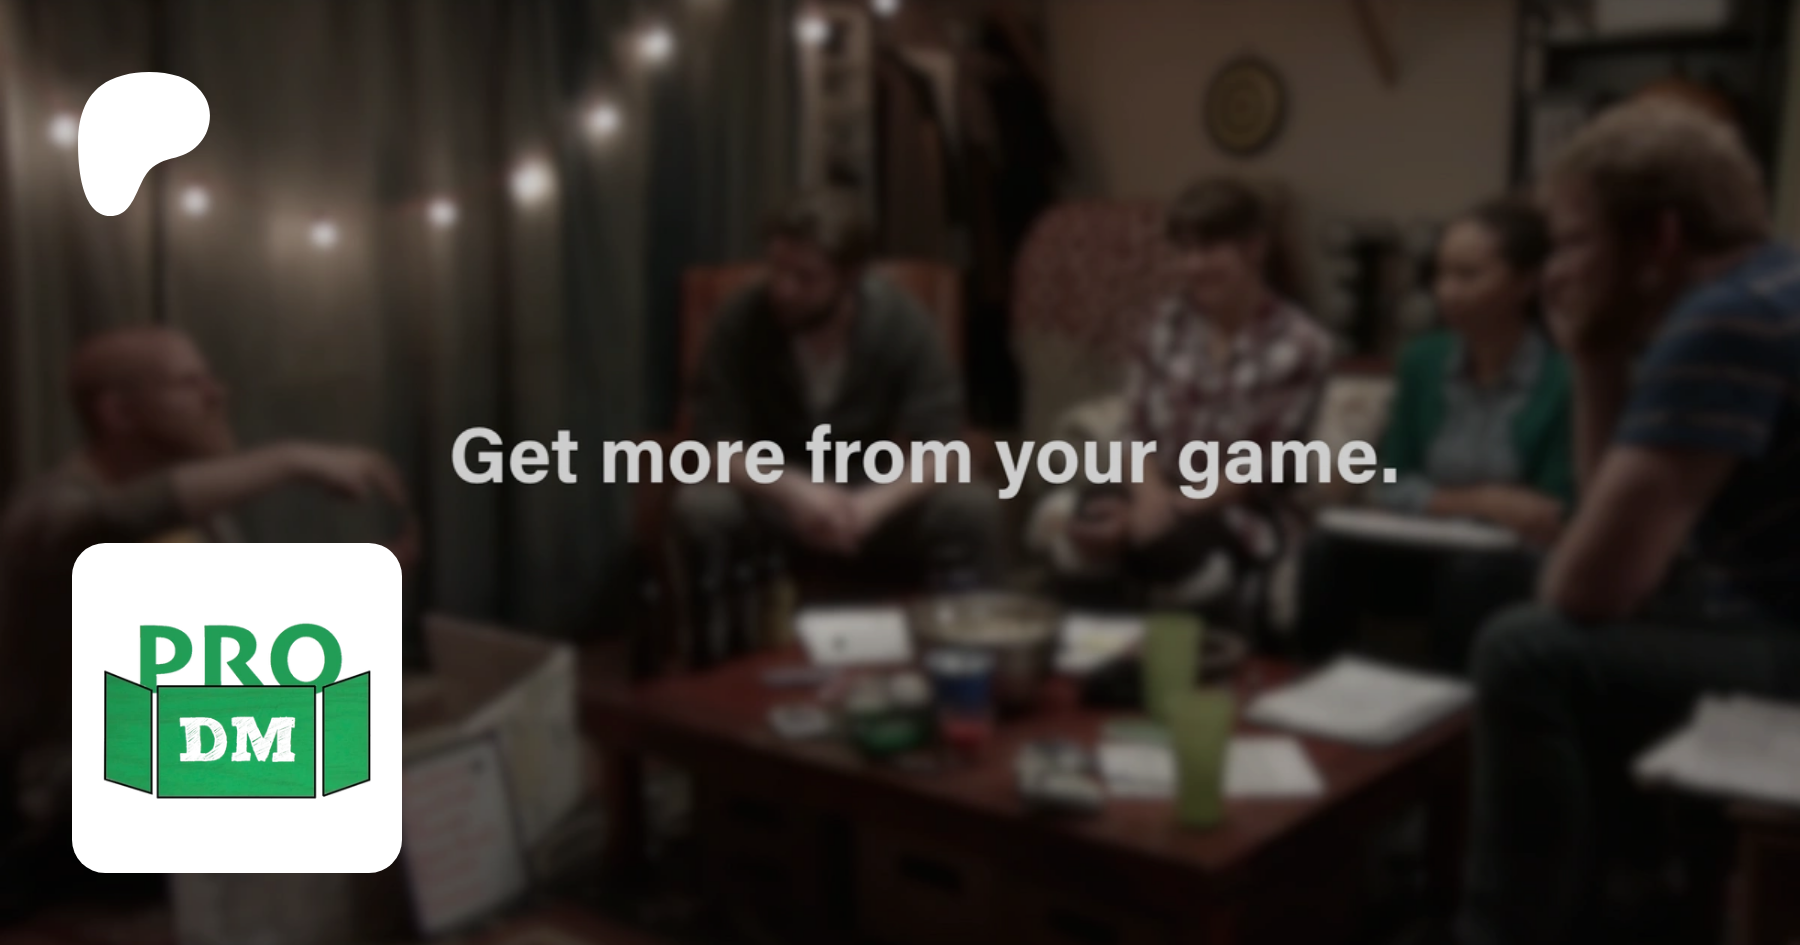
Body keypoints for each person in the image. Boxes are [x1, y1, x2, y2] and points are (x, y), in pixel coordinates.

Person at [1460, 99, 1800, 944]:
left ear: (1660, 237)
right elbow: (1612, 539)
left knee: (1524, 648)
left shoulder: (1725, 321)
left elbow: (1590, 587)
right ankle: (1625, 888)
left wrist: (1592, 355)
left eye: (1573, 241)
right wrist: (1596, 355)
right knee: (1494, 580)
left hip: (1786, 636)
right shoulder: (1770, 285)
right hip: (1763, 607)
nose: (1555, 273)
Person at [0, 325, 411, 905]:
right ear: (119, 413)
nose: (217, 395)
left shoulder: (206, 518)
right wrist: (290, 459)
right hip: (72, 805)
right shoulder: (49, 513)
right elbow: (112, 520)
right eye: (189, 384)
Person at [675, 192, 1005, 602]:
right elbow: (716, 444)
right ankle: (723, 641)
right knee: (702, 507)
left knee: (972, 507)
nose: (783, 289)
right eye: (776, 269)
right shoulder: (741, 320)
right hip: (776, 495)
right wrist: (795, 491)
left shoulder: (901, 323)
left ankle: (964, 631)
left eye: (805, 277)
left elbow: (944, 448)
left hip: (872, 497)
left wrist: (870, 508)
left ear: (850, 277)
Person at [1296, 197, 1574, 671]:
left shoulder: (1563, 379)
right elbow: (1389, 480)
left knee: (1472, 576)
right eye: (1441, 274)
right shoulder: (1423, 361)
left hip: (1509, 560)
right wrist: (1487, 502)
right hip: (1424, 541)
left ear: (1526, 283)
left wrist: (1436, 499)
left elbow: (1549, 512)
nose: (1447, 291)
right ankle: (1315, 686)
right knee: (1324, 549)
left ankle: (1456, 710)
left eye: (1468, 276)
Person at [1033, 177, 1332, 609]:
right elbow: (1133, 431)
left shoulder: (1300, 344)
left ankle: (1190, 643)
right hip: (1157, 490)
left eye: (1208, 249)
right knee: (1084, 527)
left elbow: (1261, 466)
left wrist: (1166, 512)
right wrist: (1149, 499)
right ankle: (1088, 648)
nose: (1193, 265)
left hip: (1237, 509)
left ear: (1254, 248)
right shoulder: (1165, 324)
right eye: (1185, 250)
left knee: (1167, 546)